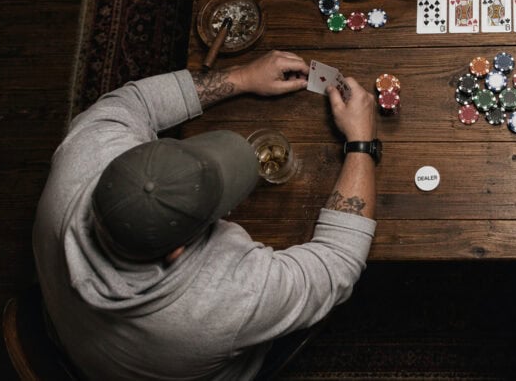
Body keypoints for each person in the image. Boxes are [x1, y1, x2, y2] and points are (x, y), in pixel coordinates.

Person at [33, 50, 383, 379]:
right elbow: (337, 262)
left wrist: (243, 76)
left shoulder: (85, 153)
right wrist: (361, 142)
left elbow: (134, 101)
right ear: (176, 251)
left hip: (72, 335)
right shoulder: (227, 299)